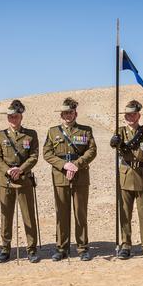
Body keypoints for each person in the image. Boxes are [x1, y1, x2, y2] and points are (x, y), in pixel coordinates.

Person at [42, 97, 97, 261]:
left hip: (80, 175)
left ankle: (82, 247)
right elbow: (47, 153)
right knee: (62, 213)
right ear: (61, 114)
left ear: (75, 113)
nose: (68, 115)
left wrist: (76, 164)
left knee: (80, 212)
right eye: (65, 112)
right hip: (60, 176)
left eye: (70, 112)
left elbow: (92, 151)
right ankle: (62, 248)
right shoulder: (53, 132)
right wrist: (64, 165)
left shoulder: (85, 130)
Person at [109, 100, 143, 260]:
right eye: (127, 115)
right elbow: (114, 147)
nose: (130, 117)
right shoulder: (120, 132)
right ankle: (126, 245)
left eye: (133, 114)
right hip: (125, 176)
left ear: (139, 115)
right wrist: (114, 142)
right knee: (124, 213)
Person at [0, 100, 40, 263]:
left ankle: (31, 249)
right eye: (10, 116)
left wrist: (21, 169)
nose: (12, 119)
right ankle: (5, 249)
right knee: (6, 216)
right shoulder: (0, 135)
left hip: (24, 179)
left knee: (28, 215)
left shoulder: (30, 134)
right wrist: (8, 170)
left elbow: (34, 156)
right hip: (6, 181)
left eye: (15, 116)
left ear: (21, 116)